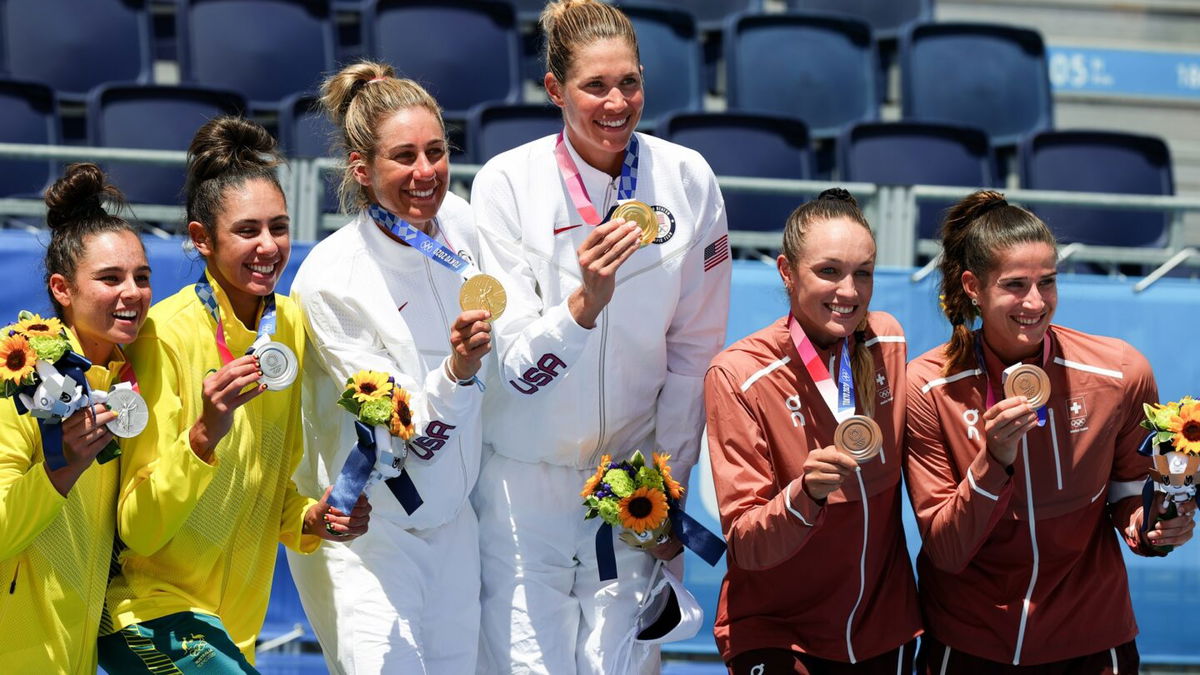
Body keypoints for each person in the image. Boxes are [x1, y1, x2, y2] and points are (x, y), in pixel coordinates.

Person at [470, 1, 731, 672]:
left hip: (633, 481)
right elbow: (517, 366)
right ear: (555, 90)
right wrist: (584, 304)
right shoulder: (507, 182)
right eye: (595, 86)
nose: (617, 103)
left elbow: (692, 354)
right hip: (525, 487)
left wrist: (668, 485)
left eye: (630, 83)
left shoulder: (689, 178)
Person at [98, 116, 370, 674]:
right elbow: (139, 526)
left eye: (279, 227)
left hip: (231, 631)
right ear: (202, 239)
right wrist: (202, 436)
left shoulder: (290, 326)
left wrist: (311, 519)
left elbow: (268, 487)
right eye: (248, 231)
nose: (269, 247)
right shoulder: (162, 335)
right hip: (150, 613)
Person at [905, 190, 1196, 673]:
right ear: (973, 286)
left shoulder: (1119, 372)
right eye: (1016, 285)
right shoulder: (929, 387)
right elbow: (946, 550)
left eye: (1048, 282)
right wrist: (994, 460)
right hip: (970, 642)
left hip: (1091, 637)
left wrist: (1153, 526)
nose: (1036, 302)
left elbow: (1130, 494)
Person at [286, 61, 493, 674]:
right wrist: (456, 372)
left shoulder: (464, 223)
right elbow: (403, 433)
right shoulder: (330, 280)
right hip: (373, 535)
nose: (425, 173)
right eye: (403, 157)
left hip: (457, 523)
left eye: (435, 151)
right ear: (362, 169)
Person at [703, 189, 921, 674]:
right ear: (786, 271)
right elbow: (745, 544)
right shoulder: (739, 374)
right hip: (781, 634)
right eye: (828, 271)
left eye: (862, 273)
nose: (849, 291)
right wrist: (806, 495)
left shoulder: (889, 340)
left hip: (885, 627)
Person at [0, 163, 150, 672]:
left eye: (141, 277)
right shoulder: (16, 374)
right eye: (110, 278)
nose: (132, 292)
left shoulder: (124, 381)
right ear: (63, 289)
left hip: (75, 656)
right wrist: (60, 470)